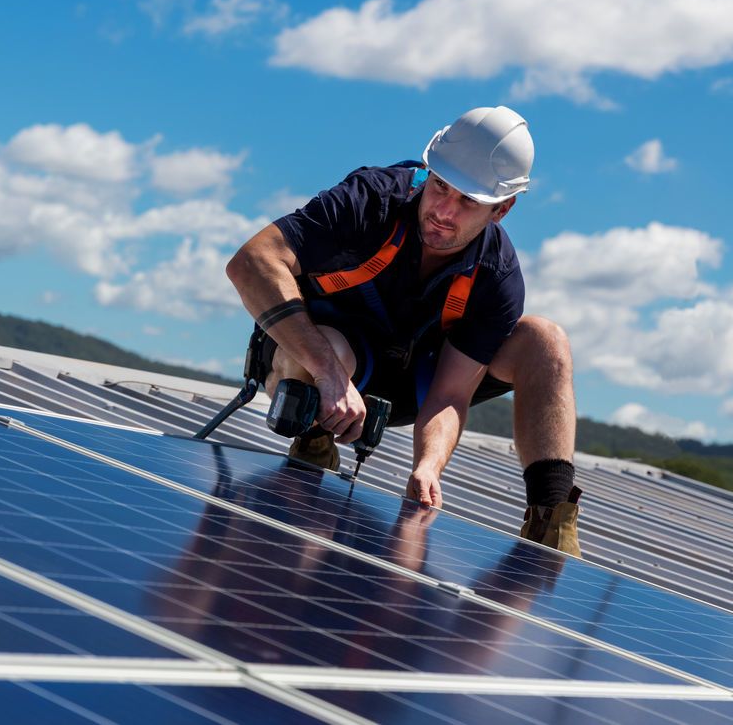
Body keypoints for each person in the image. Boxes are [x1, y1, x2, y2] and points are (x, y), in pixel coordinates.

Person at [225, 106, 581, 556]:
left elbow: (450, 395)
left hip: (415, 384)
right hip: (325, 364)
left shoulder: (496, 277)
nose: (444, 212)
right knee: (331, 350)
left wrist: (429, 467)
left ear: (502, 209)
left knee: (545, 341)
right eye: (440, 188)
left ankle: (551, 530)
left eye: (468, 202)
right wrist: (330, 373)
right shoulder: (370, 199)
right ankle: (314, 443)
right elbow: (251, 261)